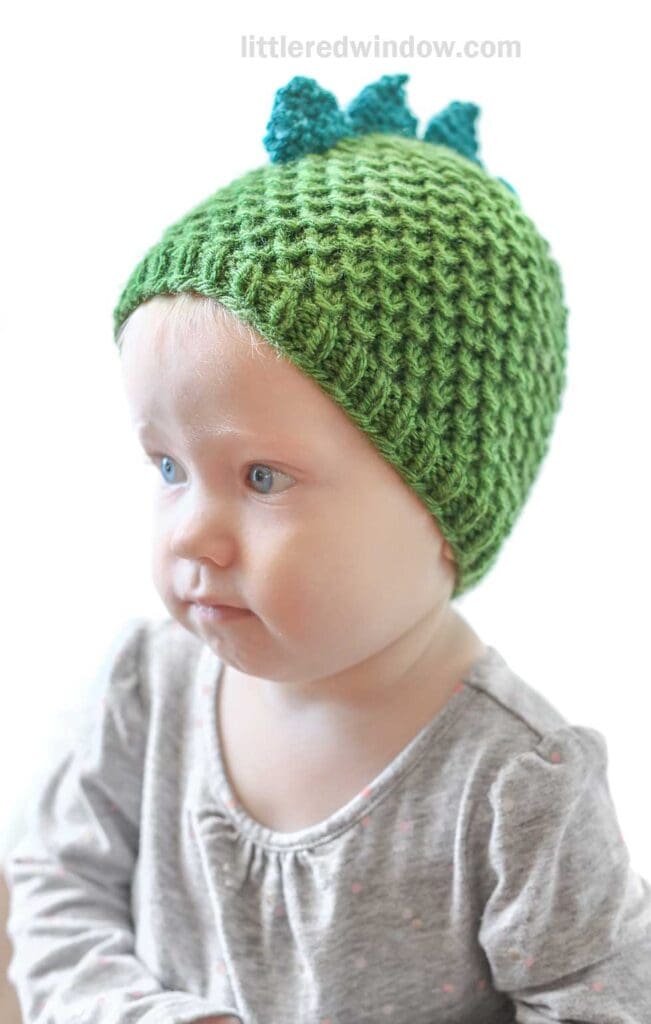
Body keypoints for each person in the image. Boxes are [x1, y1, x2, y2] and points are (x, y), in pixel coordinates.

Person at [4, 72, 651, 1024]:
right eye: (168, 467)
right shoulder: (147, 688)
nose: (189, 533)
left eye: (262, 477)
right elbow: (54, 895)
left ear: (441, 501)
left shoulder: (516, 787)